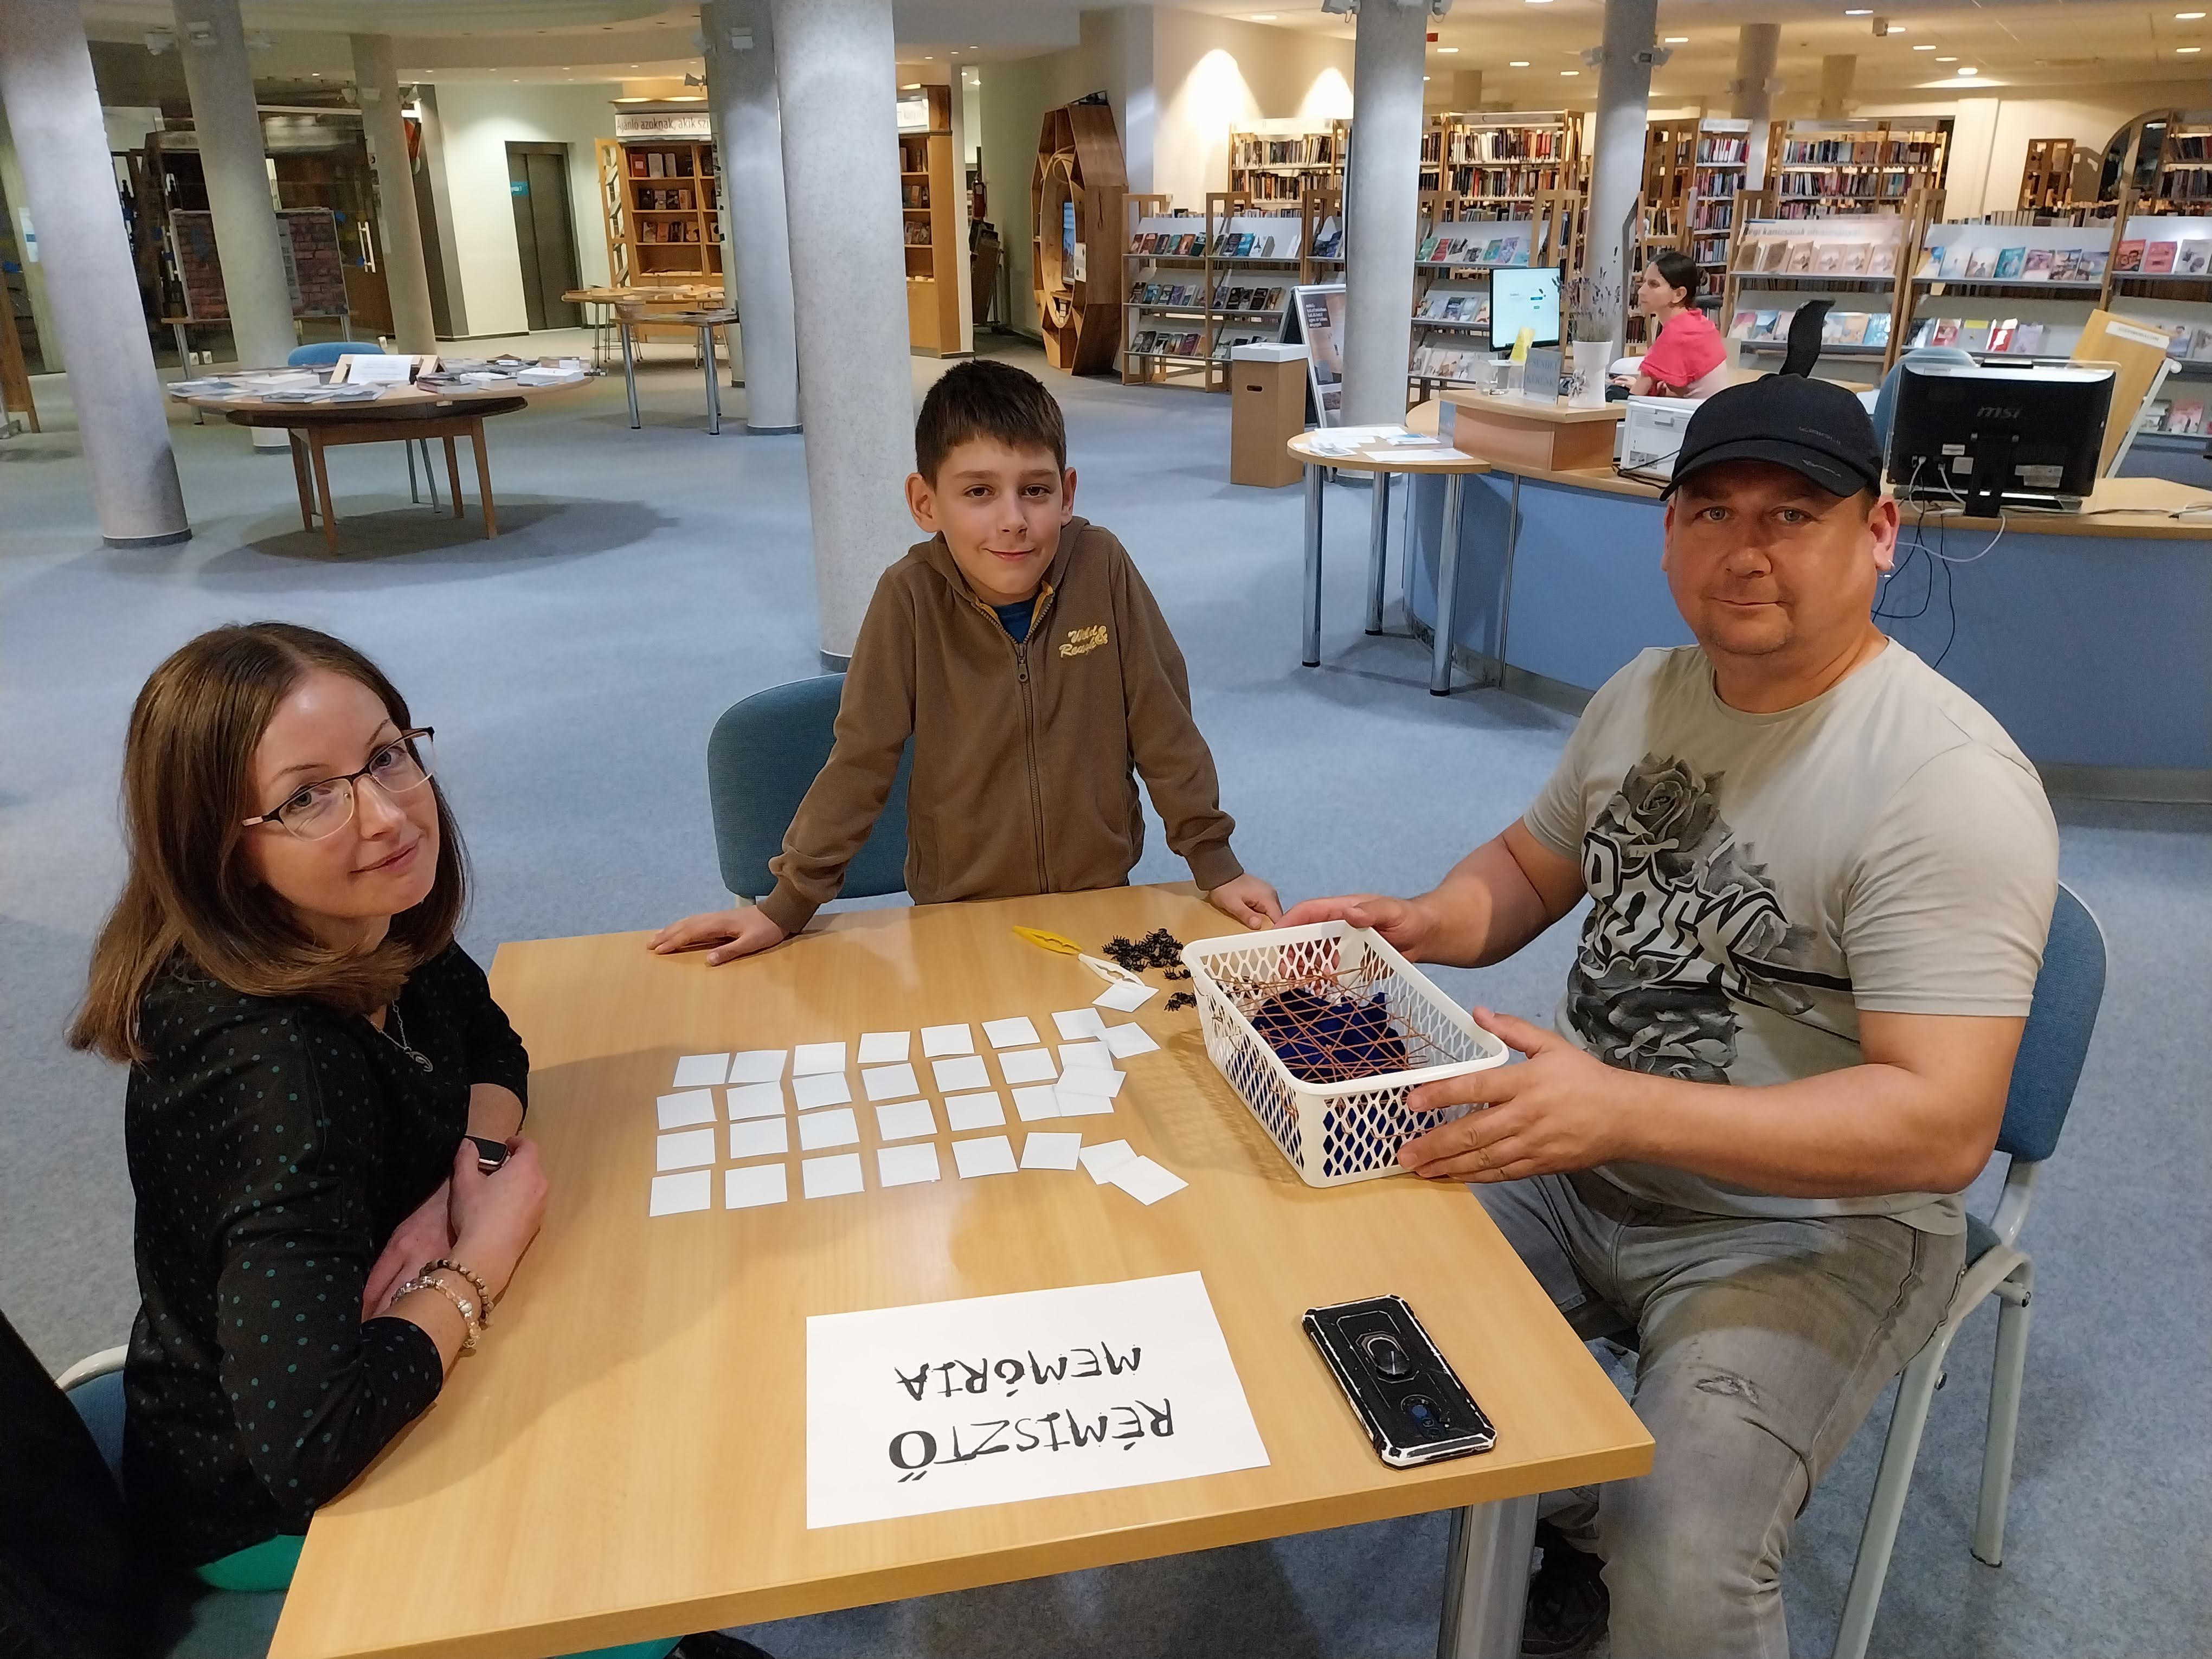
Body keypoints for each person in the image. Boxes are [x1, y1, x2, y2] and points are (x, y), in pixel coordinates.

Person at [1284, 374, 2059, 1659]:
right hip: (1582, 1149)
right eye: (1710, 512)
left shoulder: (1946, 787)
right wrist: (1425, 919)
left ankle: (1595, 1522)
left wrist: (1618, 1110)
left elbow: (1940, 1128)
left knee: (1681, 1546)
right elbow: (1529, 866)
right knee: (1324, 1298)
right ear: (1667, 535)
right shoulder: (1646, 691)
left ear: (1878, 532)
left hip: (1810, 1225)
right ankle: (1561, 1508)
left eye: (1791, 515)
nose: (1744, 551)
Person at [69, 625, 756, 1659]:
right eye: (309, 797)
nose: (389, 815)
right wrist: (483, 1251)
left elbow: (492, 1048)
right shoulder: (276, 1070)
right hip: (266, 1505)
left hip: (385, 1355)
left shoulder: (365, 924)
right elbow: (312, 1441)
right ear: (222, 848)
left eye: (388, 756)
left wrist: (453, 1194)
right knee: (648, 1557)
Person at [654, 358, 1281, 963]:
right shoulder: (908, 598)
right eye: (979, 492)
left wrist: (1216, 864)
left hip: (1097, 896)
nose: (1013, 520)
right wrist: (786, 906)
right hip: (957, 911)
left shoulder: (1103, 568)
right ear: (926, 502)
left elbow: (1164, 726)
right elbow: (862, 761)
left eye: (1035, 491)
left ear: (1066, 495)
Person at [1629, 248, 1727, 398]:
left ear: (1679, 294)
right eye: (1643, 283)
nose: (1641, 291)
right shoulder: (1698, 323)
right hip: (1707, 408)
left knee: (1613, 394)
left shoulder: (1677, 333)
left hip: (1691, 411)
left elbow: (1637, 394)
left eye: (1653, 284)